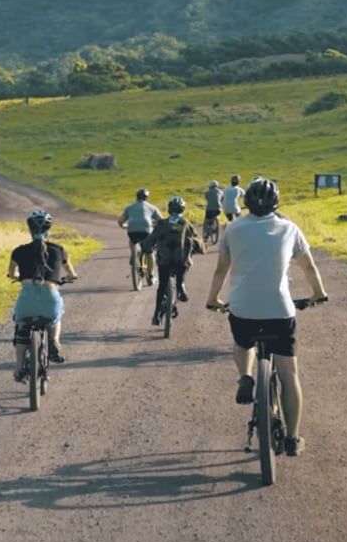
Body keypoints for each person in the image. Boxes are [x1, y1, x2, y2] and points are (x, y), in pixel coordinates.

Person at [205, 177, 328, 457]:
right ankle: (293, 439)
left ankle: (246, 376)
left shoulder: (232, 228)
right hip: (279, 311)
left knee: (243, 342)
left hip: (243, 310)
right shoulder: (289, 228)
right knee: (289, 374)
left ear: (246, 202)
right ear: (277, 203)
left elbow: (221, 269)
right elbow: (309, 267)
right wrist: (319, 293)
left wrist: (213, 299)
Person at [7, 208, 77, 380]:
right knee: (55, 318)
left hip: (27, 300)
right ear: (49, 230)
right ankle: (54, 340)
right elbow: (72, 274)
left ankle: (19, 369)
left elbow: (11, 273)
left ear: (29, 230)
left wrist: (18, 277)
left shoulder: (18, 251)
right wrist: (68, 277)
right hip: (50, 297)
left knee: (22, 328)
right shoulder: (59, 250)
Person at [140, 195, 202, 325]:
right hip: (181, 261)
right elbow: (198, 240)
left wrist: (145, 247)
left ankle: (157, 314)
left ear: (169, 209)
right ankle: (181, 285)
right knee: (183, 266)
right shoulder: (186, 224)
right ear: (182, 210)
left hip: (165, 262)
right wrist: (198, 248)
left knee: (162, 286)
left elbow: (151, 239)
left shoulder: (161, 224)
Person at [118, 187, 162, 285]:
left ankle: (134, 255)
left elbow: (120, 221)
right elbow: (161, 220)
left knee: (132, 241)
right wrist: (155, 225)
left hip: (132, 231)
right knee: (150, 252)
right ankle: (151, 275)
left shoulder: (129, 207)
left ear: (136, 197)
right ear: (147, 197)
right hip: (146, 231)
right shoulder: (152, 207)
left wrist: (123, 226)